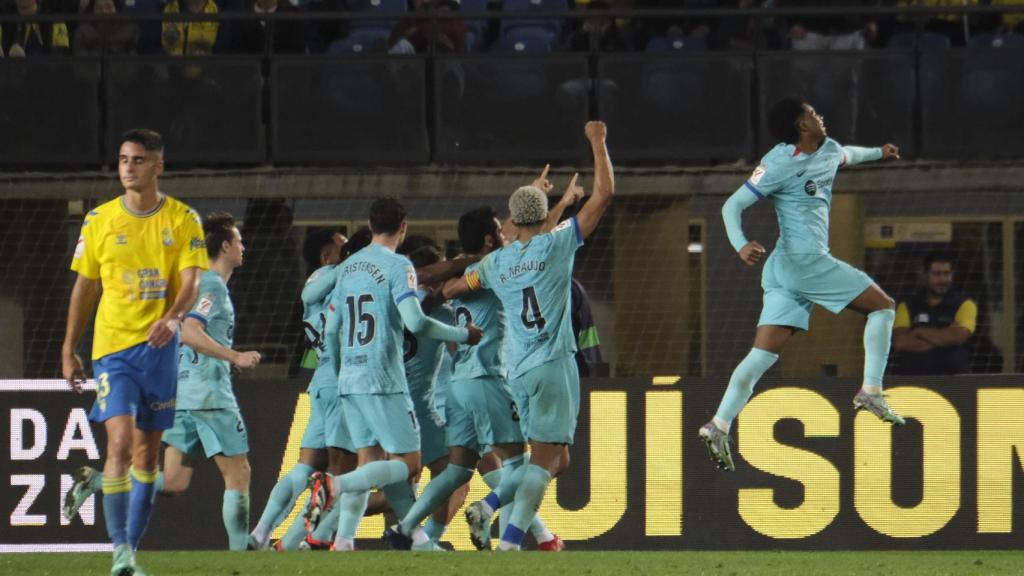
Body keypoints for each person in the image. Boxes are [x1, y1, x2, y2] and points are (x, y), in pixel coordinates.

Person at [699, 97, 903, 473]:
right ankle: (871, 391)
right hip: (805, 262)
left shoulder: (828, 149)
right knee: (884, 306)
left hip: (782, 269)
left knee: (762, 355)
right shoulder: (778, 163)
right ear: (802, 126)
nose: (819, 115)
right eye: (811, 113)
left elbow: (849, 156)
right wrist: (740, 243)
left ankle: (719, 424)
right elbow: (731, 206)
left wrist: (880, 151)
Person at [443, 121, 614, 551]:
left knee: (559, 458)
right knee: (543, 463)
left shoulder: (497, 264)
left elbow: (452, 288)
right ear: (543, 215)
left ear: (513, 221)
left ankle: (490, 505)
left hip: (517, 372)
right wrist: (598, 144)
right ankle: (511, 545)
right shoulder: (556, 247)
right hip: (553, 364)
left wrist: (431, 293)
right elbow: (604, 196)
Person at [61, 129, 208, 575]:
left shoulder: (183, 220)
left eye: (139, 160)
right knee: (120, 444)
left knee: (147, 458)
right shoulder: (99, 220)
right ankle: (120, 552)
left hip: (160, 350)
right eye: (124, 159)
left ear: (158, 166)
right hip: (113, 351)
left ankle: (132, 553)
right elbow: (85, 286)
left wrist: (173, 318)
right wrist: (69, 347)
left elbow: (191, 282)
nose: (129, 166)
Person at [307, 197, 482, 552]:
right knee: (409, 466)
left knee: (369, 461)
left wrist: (341, 372)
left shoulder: (348, 267)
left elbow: (331, 330)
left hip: (349, 380)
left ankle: (347, 541)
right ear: (403, 228)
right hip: (384, 380)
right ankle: (332, 487)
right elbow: (416, 321)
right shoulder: (398, 265)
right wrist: (463, 334)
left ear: (371, 226)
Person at [151, 211, 261, 550]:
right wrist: (235, 356)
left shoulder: (197, 282)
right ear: (225, 246)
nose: (243, 247)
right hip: (209, 395)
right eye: (239, 241)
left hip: (184, 393)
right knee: (238, 473)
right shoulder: (211, 284)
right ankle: (241, 556)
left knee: (172, 481)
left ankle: (99, 480)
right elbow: (190, 331)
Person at [892, 251, 977, 375]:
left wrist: (919, 331)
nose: (942, 280)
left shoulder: (965, 304)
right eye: (937, 274)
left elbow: (958, 336)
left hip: (954, 381)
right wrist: (944, 338)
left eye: (947, 274)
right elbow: (900, 342)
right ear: (926, 275)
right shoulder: (907, 305)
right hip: (914, 380)